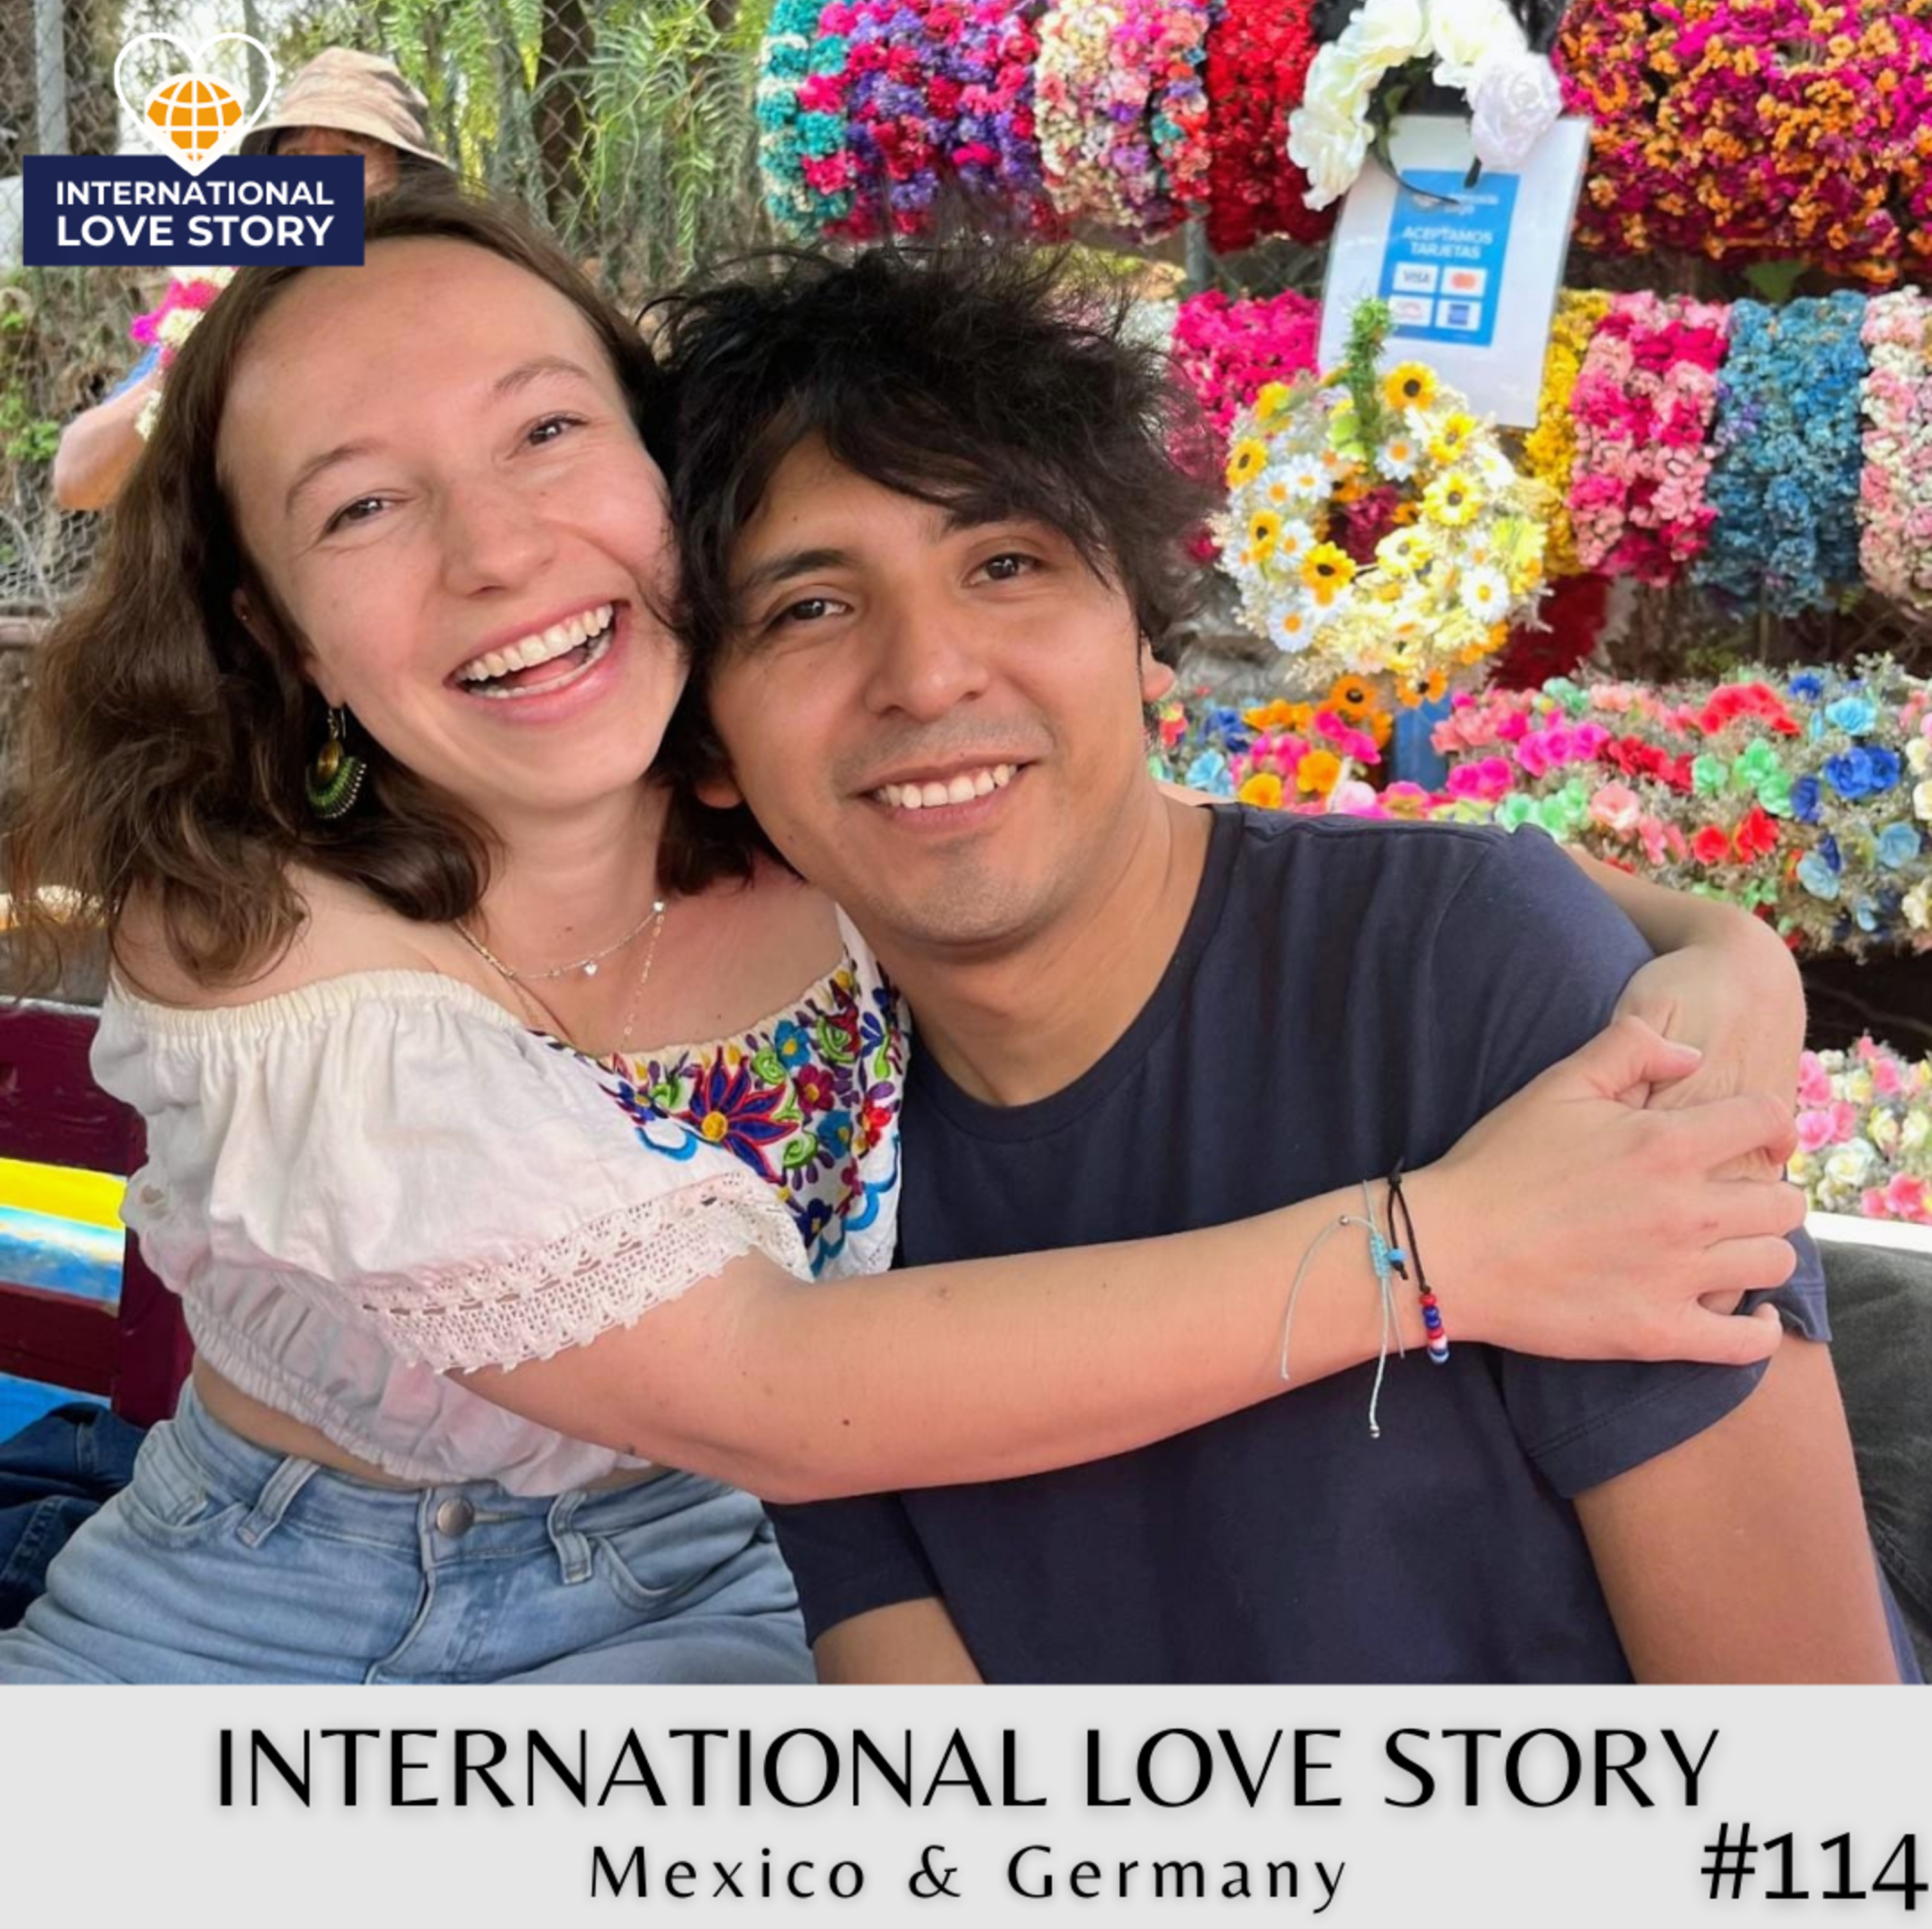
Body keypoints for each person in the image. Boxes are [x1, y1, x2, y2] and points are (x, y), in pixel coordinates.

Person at [0, 188, 1804, 1685]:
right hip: (274, 1607)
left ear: (658, 488)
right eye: (361, 506)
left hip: (726, 1580)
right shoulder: (259, 938)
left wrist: (1713, 940)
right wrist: (1439, 1250)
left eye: (545, 431)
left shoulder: (804, 817)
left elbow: (1142, 817)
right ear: (278, 629)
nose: (496, 549)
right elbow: (772, 1386)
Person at [652, 240, 1917, 1685]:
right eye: (811, 608)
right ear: (707, 742)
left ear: (1148, 639)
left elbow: (1808, 1751)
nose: (930, 674)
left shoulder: (1471, 974)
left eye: (1007, 564)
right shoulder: (801, 1164)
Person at [50, 49, 450, 515]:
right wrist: (184, 367)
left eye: (349, 156)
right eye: (297, 156)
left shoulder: (450, 298)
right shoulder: (228, 297)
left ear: (403, 183)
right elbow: (78, 481)